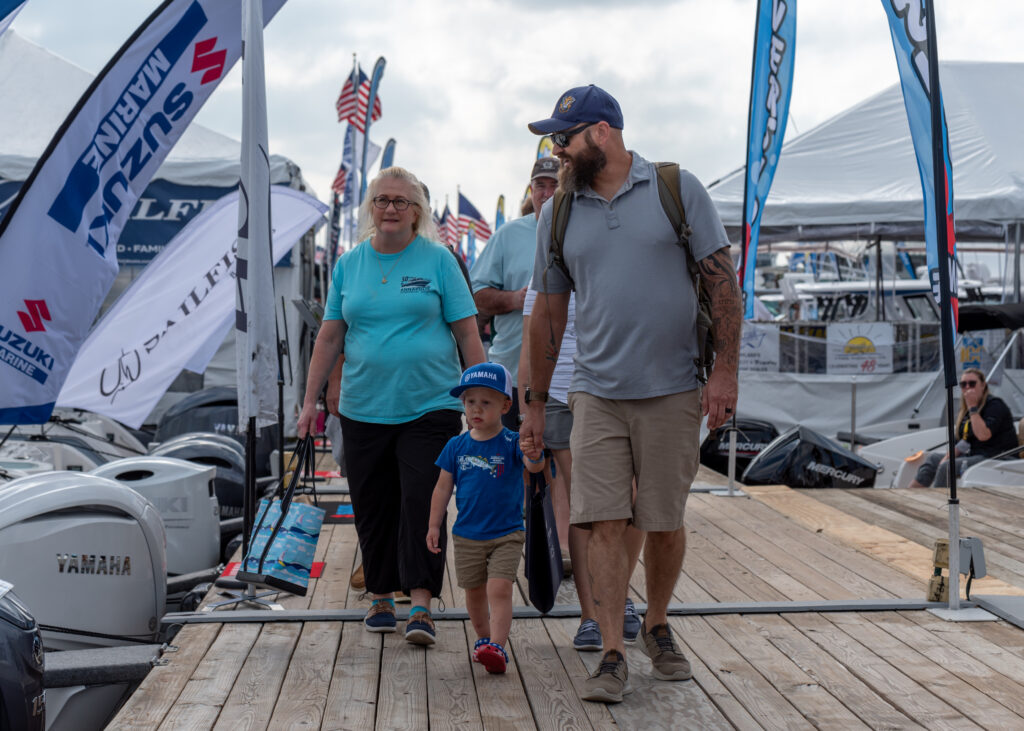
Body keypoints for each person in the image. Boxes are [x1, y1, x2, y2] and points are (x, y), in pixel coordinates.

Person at [520, 85, 741, 703]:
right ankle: (613, 649)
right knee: (602, 522)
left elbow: (723, 286)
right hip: (594, 391)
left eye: (564, 137)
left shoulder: (678, 188)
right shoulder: (557, 214)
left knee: (663, 521)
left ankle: (659, 624)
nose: (557, 150)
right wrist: (534, 403)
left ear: (602, 132)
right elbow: (546, 316)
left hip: (673, 389)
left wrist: (725, 373)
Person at [297, 166, 484, 646]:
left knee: (423, 503)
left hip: (429, 404)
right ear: (370, 207)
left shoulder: (439, 261)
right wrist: (309, 403)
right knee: (373, 503)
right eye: (382, 200)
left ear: (417, 211)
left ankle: (420, 604)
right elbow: (330, 337)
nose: (391, 209)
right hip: (363, 407)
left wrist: (482, 396)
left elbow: (467, 333)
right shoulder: (349, 264)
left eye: (402, 201)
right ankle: (380, 596)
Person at [519, 288, 644, 652]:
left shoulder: (620, 263)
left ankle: (617, 594)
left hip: (620, 392)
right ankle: (591, 614)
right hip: (559, 393)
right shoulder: (545, 273)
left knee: (633, 497)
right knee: (585, 503)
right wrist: (528, 411)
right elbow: (530, 344)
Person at [427, 362, 545, 674]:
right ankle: (483, 640)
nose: (476, 409)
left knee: (499, 589)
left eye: (486, 402)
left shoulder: (512, 442)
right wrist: (434, 524)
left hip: (507, 533)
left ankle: (497, 645)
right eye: (470, 402)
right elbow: (442, 488)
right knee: (475, 592)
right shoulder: (456, 445)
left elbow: (534, 468)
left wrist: (535, 454)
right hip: (467, 535)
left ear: (505, 405)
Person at [470, 157, 560, 430]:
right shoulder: (508, 235)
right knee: (514, 452)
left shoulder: (584, 232)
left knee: (563, 455)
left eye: (555, 185)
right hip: (511, 374)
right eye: (540, 185)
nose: (547, 193)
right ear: (531, 190)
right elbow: (474, 294)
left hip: (569, 375)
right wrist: (514, 299)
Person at [909, 368, 1017, 488]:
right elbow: (962, 442)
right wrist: (945, 458)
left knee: (947, 467)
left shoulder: (994, 405)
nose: (967, 387)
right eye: (963, 384)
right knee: (933, 459)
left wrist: (972, 408)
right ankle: (911, 493)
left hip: (998, 457)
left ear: (983, 386)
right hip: (976, 454)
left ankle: (939, 498)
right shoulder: (967, 411)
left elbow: (983, 435)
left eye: (972, 383)